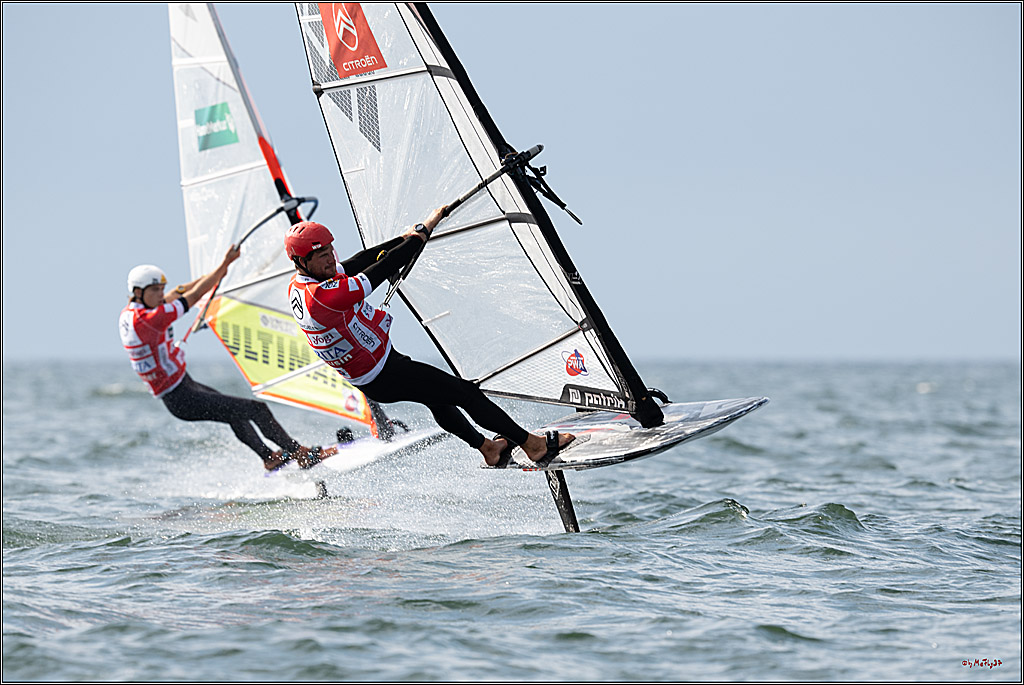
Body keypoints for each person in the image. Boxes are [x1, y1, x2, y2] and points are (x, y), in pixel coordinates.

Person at [283, 208, 574, 467]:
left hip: (378, 369)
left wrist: (405, 238)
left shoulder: (303, 283)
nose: (331, 260)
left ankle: (489, 449)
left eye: (331, 251)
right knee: (465, 394)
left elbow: (359, 260)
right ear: (301, 261)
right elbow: (380, 269)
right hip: (383, 374)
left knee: (438, 400)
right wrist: (420, 236)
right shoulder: (323, 297)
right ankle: (532, 445)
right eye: (323, 256)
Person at [118, 245, 320, 471]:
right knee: (256, 409)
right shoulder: (150, 319)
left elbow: (178, 291)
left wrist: (217, 272)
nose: (160, 295)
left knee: (235, 413)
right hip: (181, 396)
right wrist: (225, 265)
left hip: (183, 386)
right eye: (154, 290)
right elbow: (192, 296)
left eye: (160, 289)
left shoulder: (132, 313)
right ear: (138, 292)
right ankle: (300, 454)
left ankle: (269, 457)